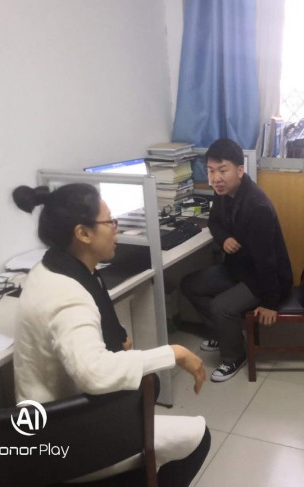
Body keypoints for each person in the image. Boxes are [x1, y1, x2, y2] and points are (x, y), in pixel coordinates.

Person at [12, 183, 210, 487]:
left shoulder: (53, 267)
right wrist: (174, 353)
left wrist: (118, 341)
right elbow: (93, 373)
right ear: (83, 233)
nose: (117, 228)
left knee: (149, 384)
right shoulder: (66, 296)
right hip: (64, 438)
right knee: (197, 437)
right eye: (110, 221)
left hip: (49, 415)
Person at [181, 138, 293, 382]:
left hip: (264, 278)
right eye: (211, 171)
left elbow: (267, 261)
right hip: (239, 268)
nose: (216, 178)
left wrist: (271, 303)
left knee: (220, 306)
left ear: (240, 170)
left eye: (223, 170)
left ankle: (234, 356)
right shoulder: (224, 192)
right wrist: (224, 239)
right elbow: (214, 222)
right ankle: (224, 334)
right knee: (190, 284)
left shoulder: (256, 206)